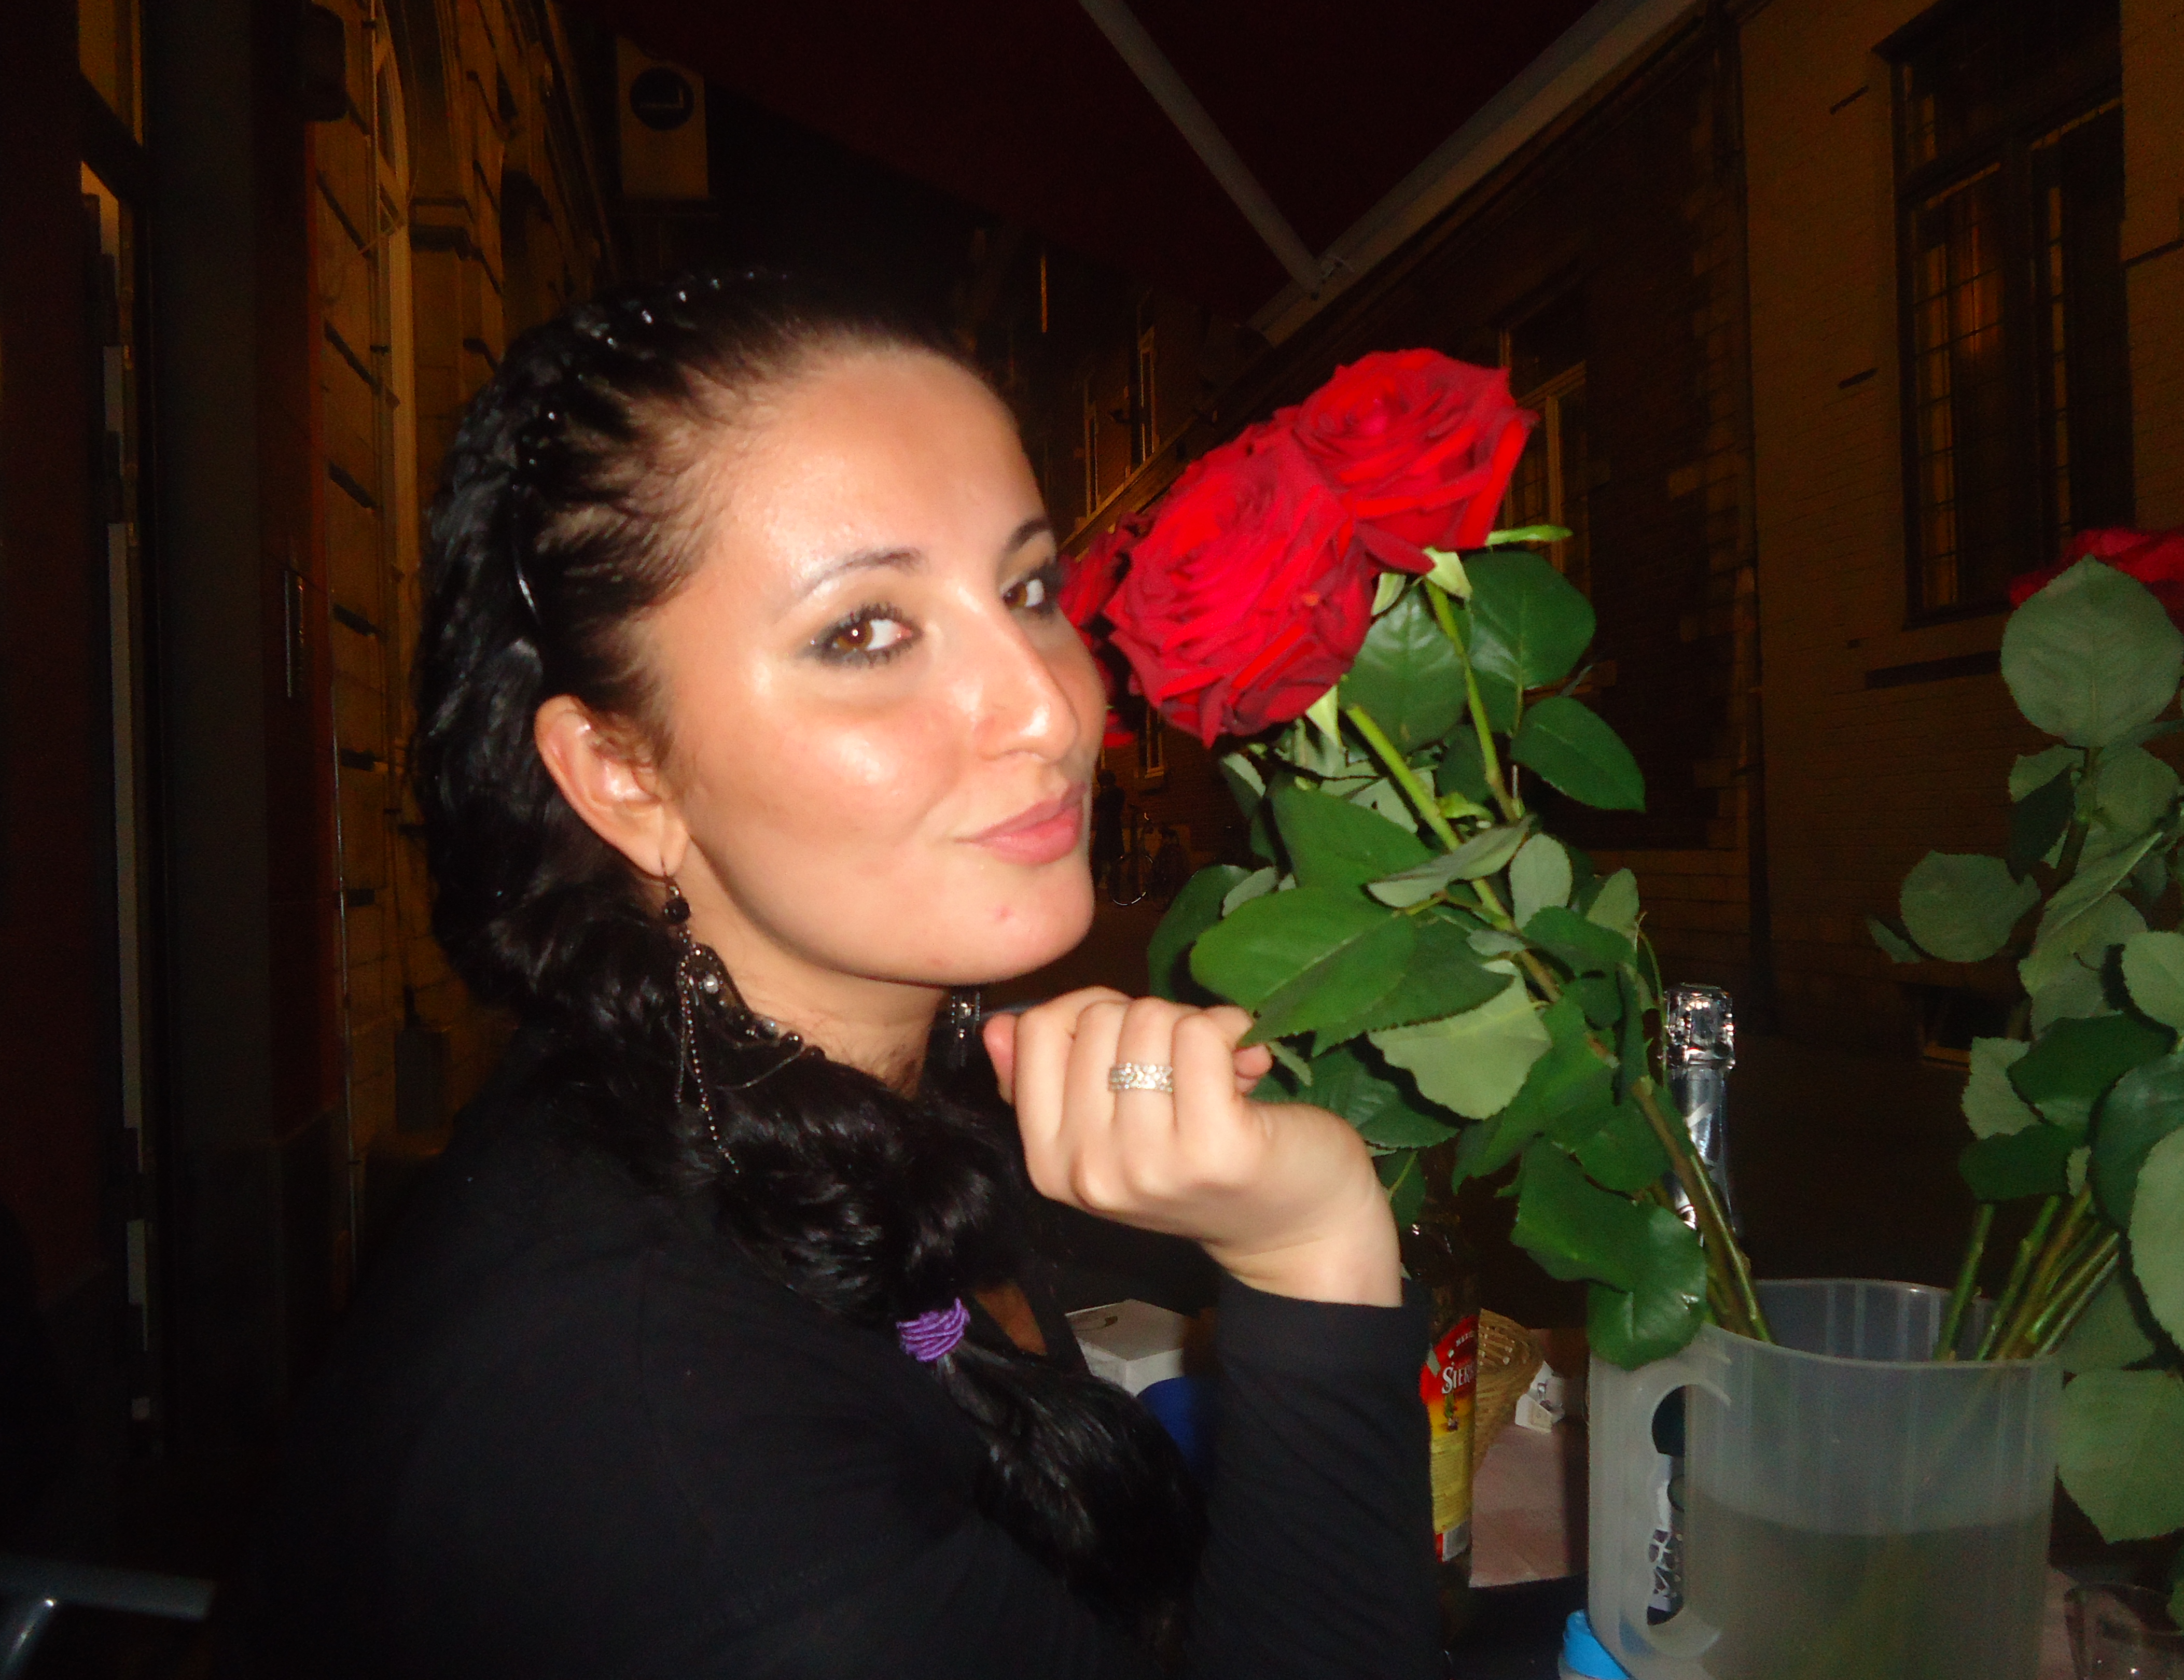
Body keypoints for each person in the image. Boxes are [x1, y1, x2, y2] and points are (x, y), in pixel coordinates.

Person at [235, 270, 1440, 1678]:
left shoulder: (794, 1091)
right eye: (865, 632)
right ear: (623, 774)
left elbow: (953, 1385)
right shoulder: (664, 1456)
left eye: (1028, 589)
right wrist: (1312, 1256)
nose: (1051, 707)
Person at [1090, 766, 1125, 893]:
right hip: (1115, 828)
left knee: (1100, 859)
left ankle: (1100, 886)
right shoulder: (1119, 792)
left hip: (1105, 829)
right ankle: (1114, 889)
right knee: (1114, 860)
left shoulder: (1107, 794)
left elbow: (1096, 807)